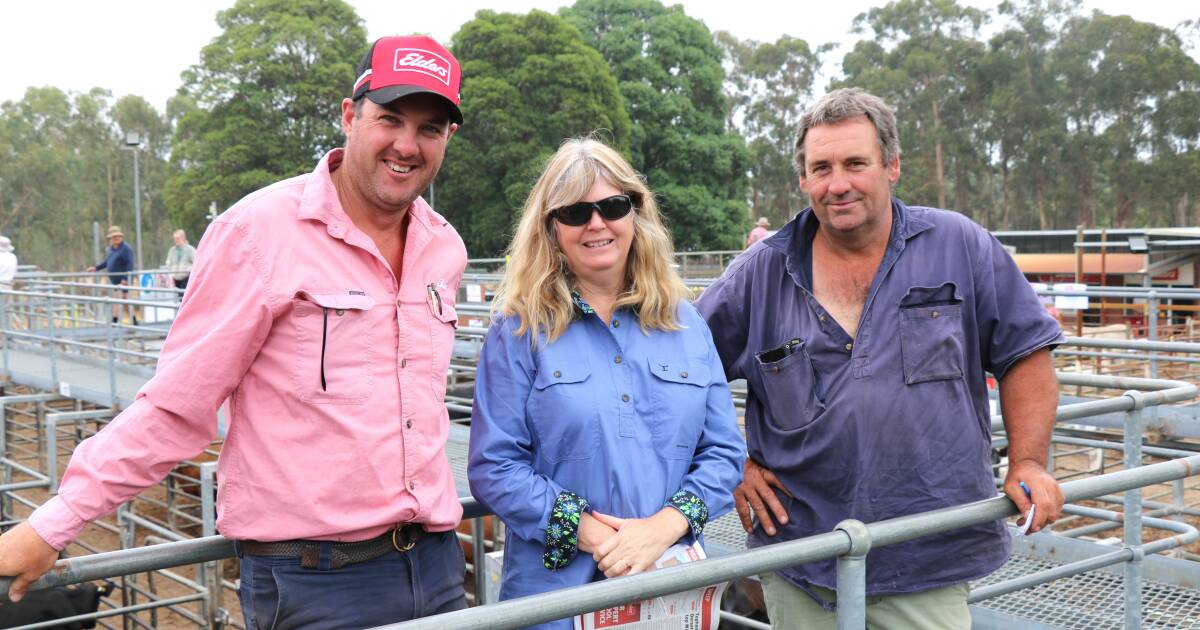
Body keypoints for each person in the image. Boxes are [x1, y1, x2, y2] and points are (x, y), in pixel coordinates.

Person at [0, 35, 470, 629]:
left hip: (436, 564)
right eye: (390, 119)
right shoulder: (258, 233)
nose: (407, 145)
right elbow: (178, 405)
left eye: (430, 128)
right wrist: (56, 522)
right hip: (315, 579)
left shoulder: (443, 245)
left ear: (448, 138)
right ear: (350, 116)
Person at [694, 88, 1065, 629]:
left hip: (926, 553)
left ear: (891, 166)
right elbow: (680, 374)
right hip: (801, 557)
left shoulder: (959, 245)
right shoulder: (760, 272)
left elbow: (1026, 353)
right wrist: (734, 463)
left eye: (855, 163)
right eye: (820, 167)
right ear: (802, 180)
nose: (837, 183)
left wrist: (1029, 461)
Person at [468, 138, 744, 629]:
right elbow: (494, 466)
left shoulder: (686, 324)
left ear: (636, 214)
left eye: (613, 206)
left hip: (667, 593)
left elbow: (723, 453)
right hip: (555, 604)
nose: (596, 224)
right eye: (575, 212)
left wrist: (663, 528)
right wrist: (596, 536)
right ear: (552, 229)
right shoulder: (518, 332)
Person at [87, 226, 137, 325]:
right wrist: (96, 268)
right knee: (122, 300)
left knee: (120, 299)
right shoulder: (110, 249)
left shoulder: (126, 249)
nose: (116, 238)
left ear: (121, 237)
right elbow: (107, 262)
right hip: (115, 281)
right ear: (110, 239)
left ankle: (115, 321)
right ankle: (132, 320)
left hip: (124, 280)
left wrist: (125, 279)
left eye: (118, 236)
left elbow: (130, 264)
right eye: (114, 237)